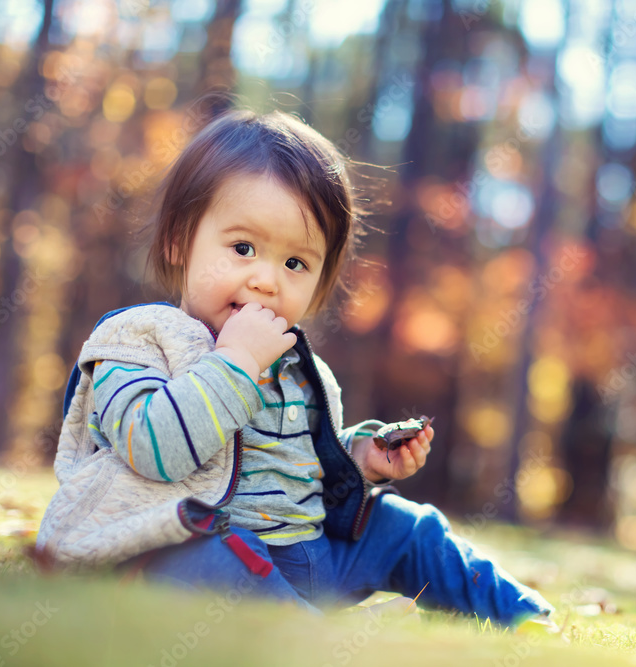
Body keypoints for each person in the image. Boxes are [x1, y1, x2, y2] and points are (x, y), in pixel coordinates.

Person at [36, 107, 555, 630]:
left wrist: (359, 457)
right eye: (242, 248)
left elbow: (298, 472)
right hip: (200, 556)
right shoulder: (139, 339)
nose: (266, 279)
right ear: (179, 241)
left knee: (408, 527)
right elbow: (152, 450)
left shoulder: (303, 371)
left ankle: (523, 617)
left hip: (310, 560)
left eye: (295, 264)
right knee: (203, 554)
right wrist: (235, 363)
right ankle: (312, 637)